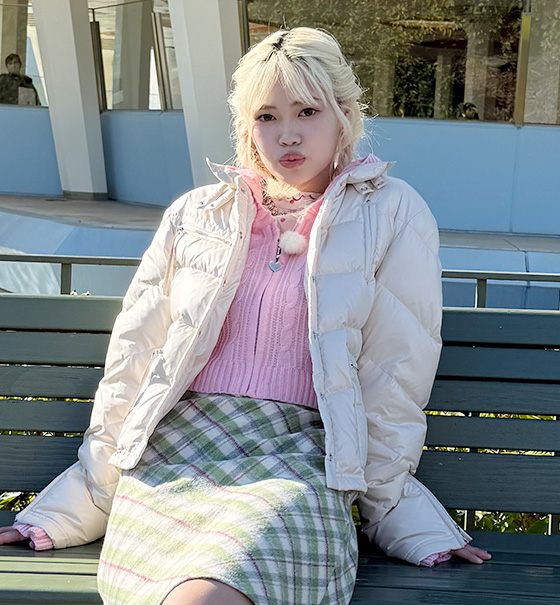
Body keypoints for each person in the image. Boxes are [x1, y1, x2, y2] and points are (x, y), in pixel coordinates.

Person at [0, 27, 490, 604]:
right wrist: (79, 500)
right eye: (267, 116)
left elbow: (395, 374)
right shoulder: (196, 214)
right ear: (245, 127)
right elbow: (136, 362)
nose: (288, 134)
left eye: (308, 111)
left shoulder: (391, 212)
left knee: (213, 591)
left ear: (344, 114)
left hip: (300, 456)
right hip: (176, 455)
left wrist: (398, 512)